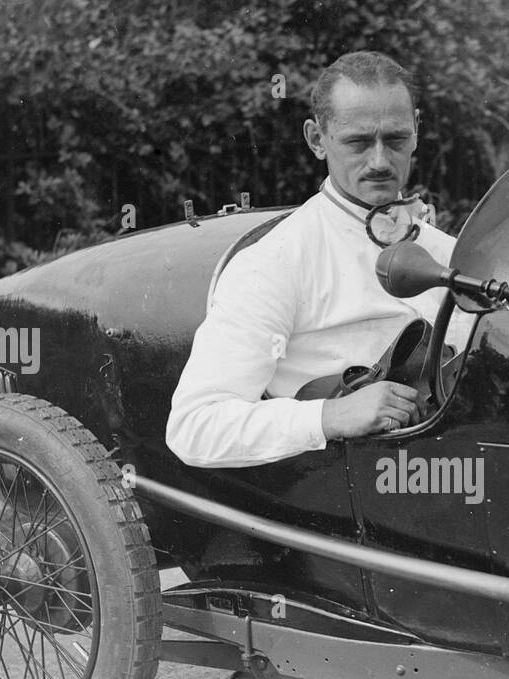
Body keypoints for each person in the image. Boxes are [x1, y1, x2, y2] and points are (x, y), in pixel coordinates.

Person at [167, 51, 464, 469]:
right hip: (351, 491)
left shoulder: (451, 254)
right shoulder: (275, 262)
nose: (380, 162)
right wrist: (329, 416)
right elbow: (194, 427)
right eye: (357, 142)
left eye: (395, 139)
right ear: (316, 139)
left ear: (417, 130)